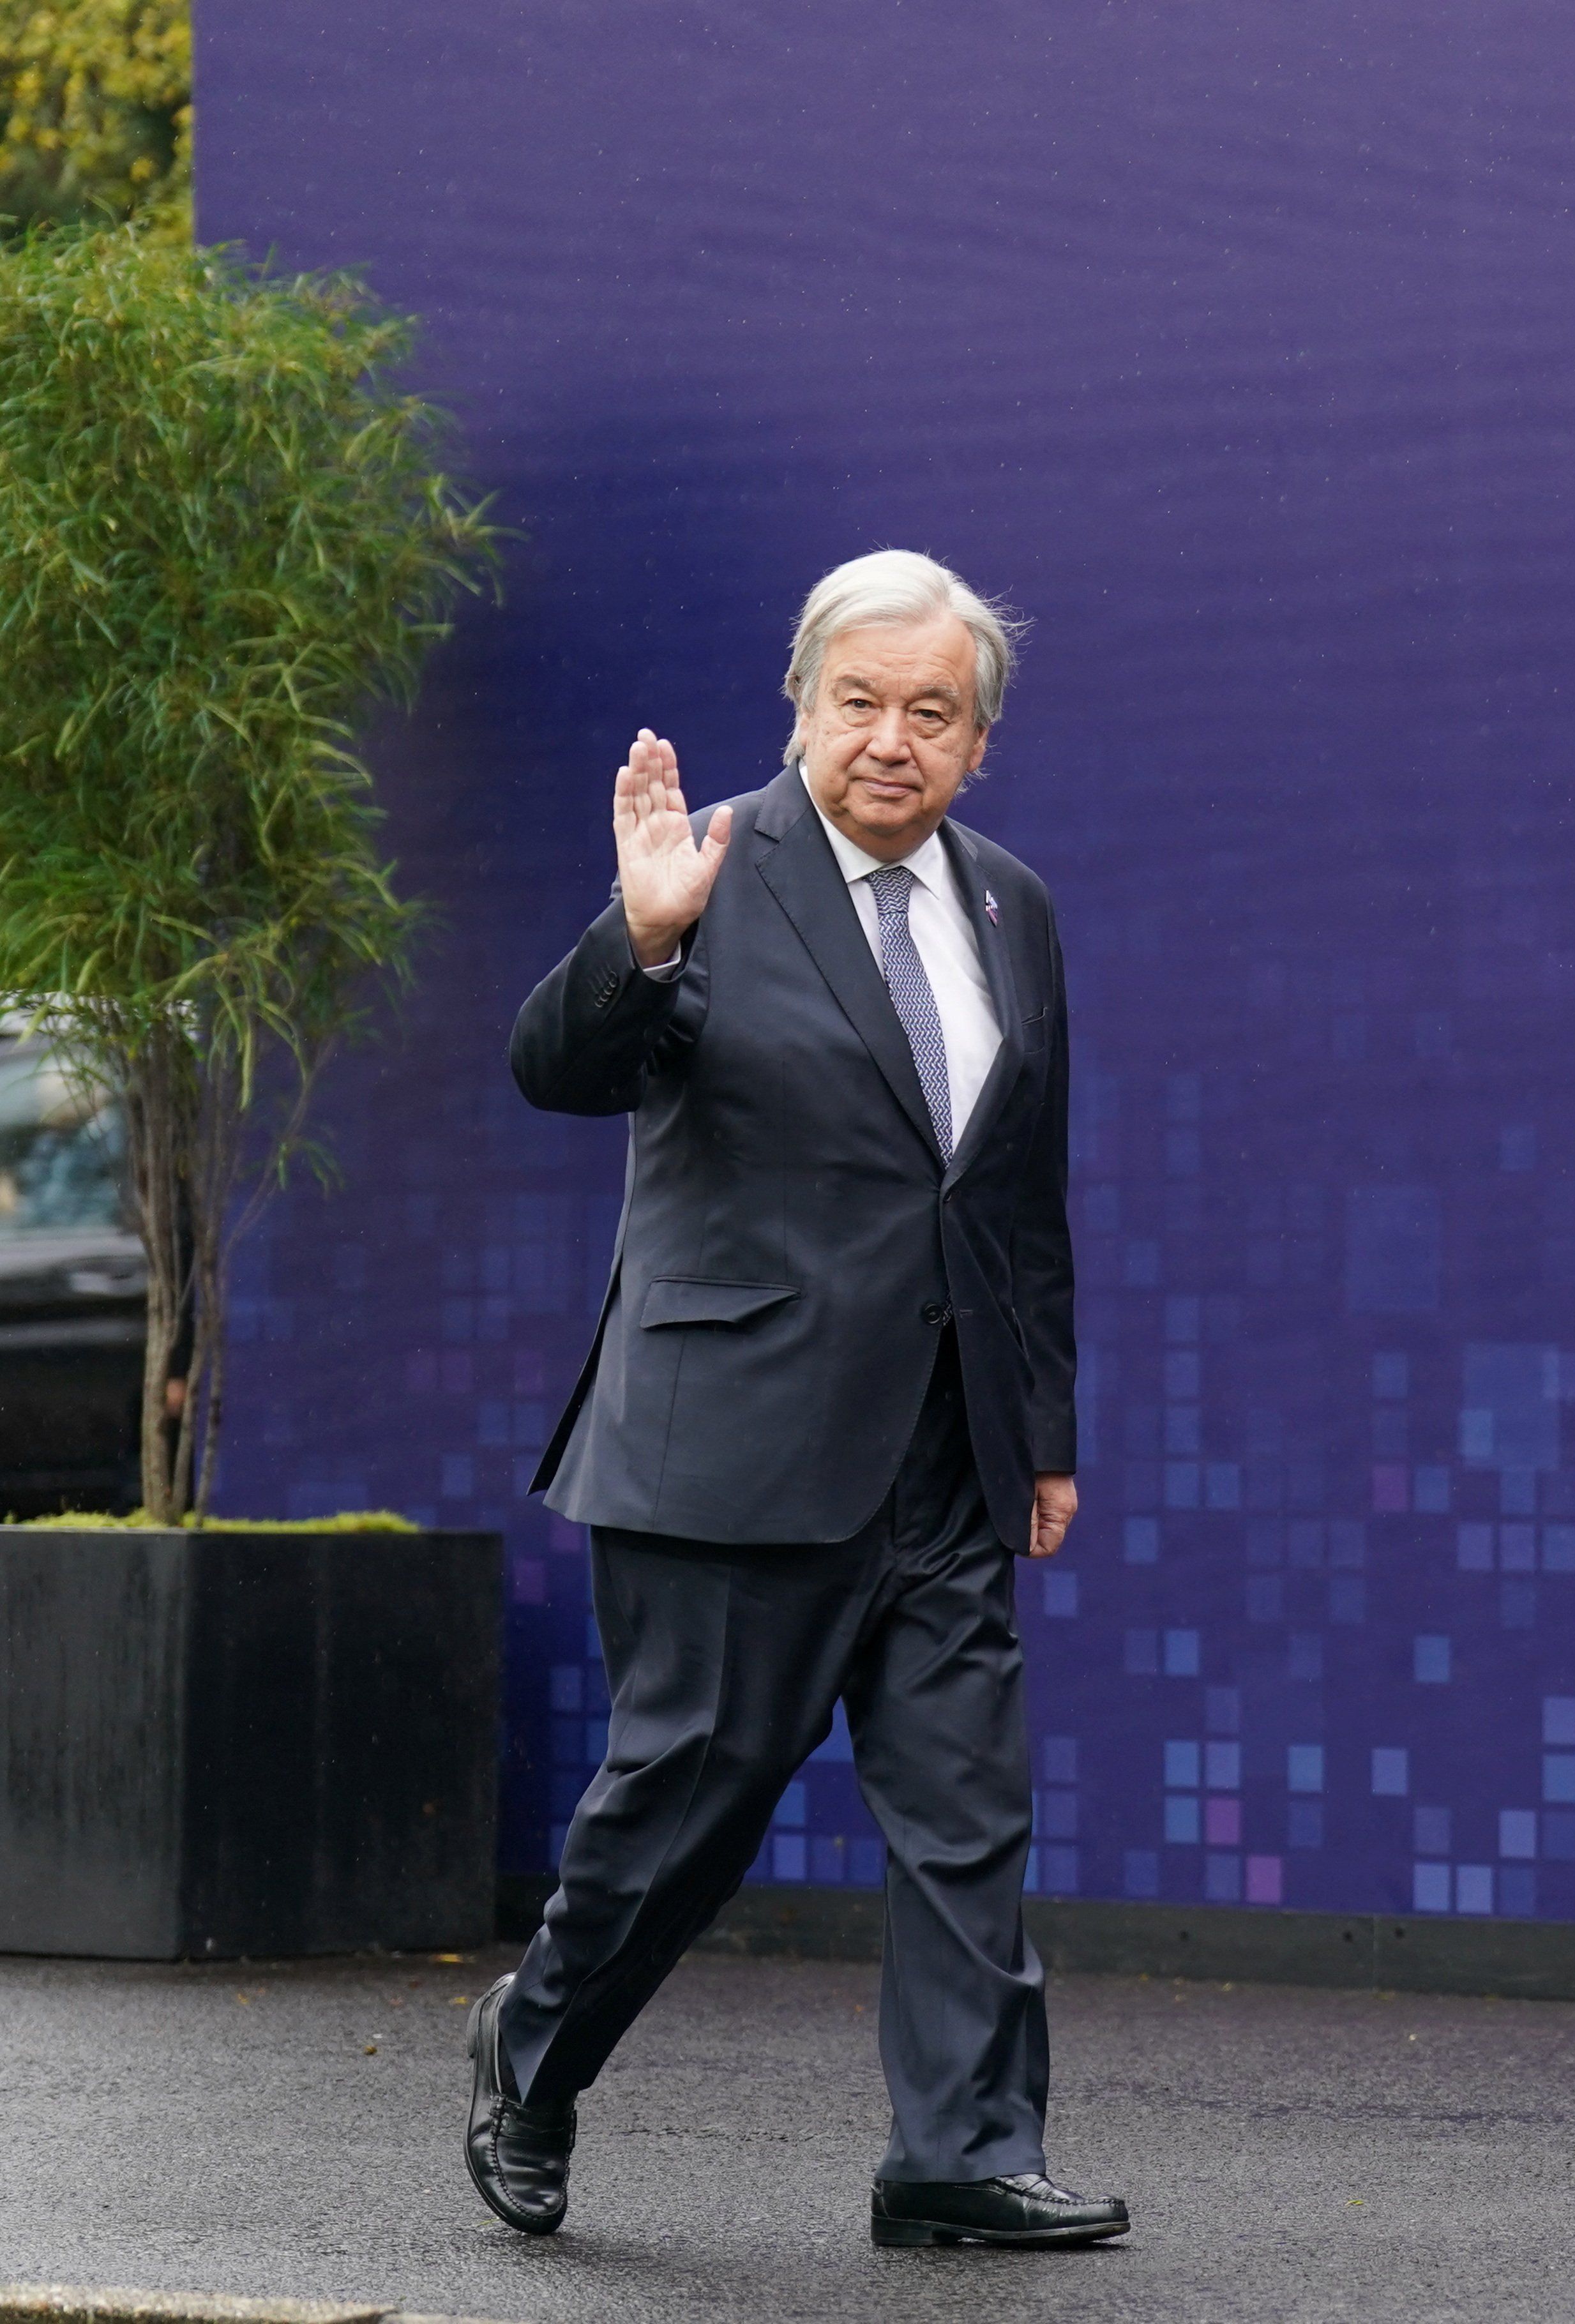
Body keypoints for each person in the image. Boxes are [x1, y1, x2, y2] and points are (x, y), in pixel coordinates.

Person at [464, 550, 1124, 2249]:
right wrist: (642, 937)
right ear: (801, 707)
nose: (891, 740)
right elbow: (560, 1067)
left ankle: (962, 2155)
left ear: (978, 743)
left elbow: (1015, 1198)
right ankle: (531, 2056)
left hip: (946, 1453)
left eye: (933, 712)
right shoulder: (711, 872)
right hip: (735, 1444)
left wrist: (1041, 1427)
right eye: (859, 704)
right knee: (691, 1808)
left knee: (969, 1819)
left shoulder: (1012, 908)